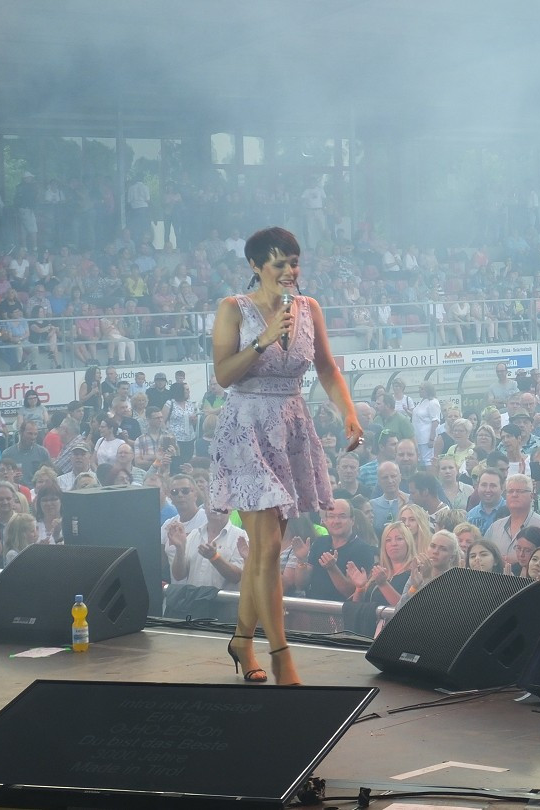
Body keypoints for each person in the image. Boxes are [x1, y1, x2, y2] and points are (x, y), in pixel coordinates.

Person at [210, 227, 362, 686]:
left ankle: (242, 638)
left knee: (264, 550)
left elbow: (327, 368)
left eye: (294, 262)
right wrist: (261, 340)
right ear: (256, 266)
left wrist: (350, 415)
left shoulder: (309, 308)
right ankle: (280, 653)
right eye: (279, 263)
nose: (290, 272)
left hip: (292, 424)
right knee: (269, 548)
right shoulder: (232, 309)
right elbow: (222, 375)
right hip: (246, 429)